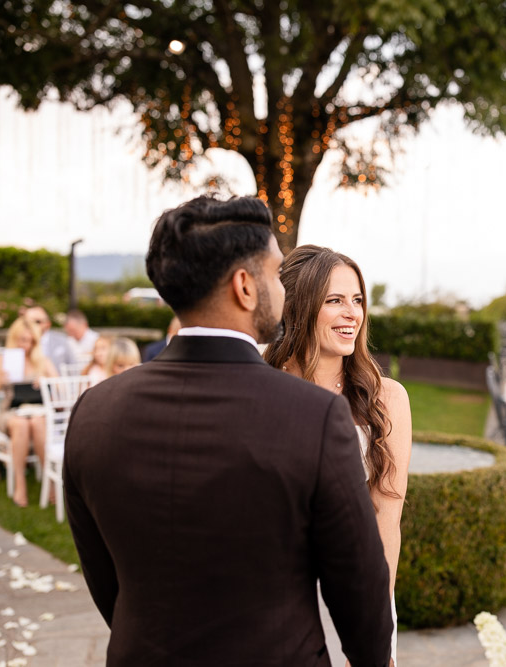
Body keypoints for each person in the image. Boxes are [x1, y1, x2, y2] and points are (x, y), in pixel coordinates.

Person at [63, 195, 393, 666]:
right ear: (245, 286)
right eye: (277, 275)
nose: (284, 290)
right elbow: (358, 587)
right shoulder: (314, 416)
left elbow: (103, 578)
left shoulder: (94, 412)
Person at [265, 245, 412, 667]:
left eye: (357, 300)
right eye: (334, 300)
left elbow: (387, 518)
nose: (352, 313)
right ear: (298, 307)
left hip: (353, 588)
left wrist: (371, 623)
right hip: (270, 597)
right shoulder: (260, 386)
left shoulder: (388, 399)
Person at [0, 316, 57, 507]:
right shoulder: (0, 361)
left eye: (31, 341)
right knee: (21, 424)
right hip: (10, 412)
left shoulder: (42, 361)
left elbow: (60, 390)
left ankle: (50, 481)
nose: (26, 345)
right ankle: (20, 484)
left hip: (37, 411)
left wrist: (46, 383)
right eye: (22, 340)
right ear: (14, 338)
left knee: (37, 422)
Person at [25, 306, 74, 371]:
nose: (32, 325)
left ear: (48, 323)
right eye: (27, 322)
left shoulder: (62, 340)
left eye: (37, 321)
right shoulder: (21, 342)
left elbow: (73, 365)